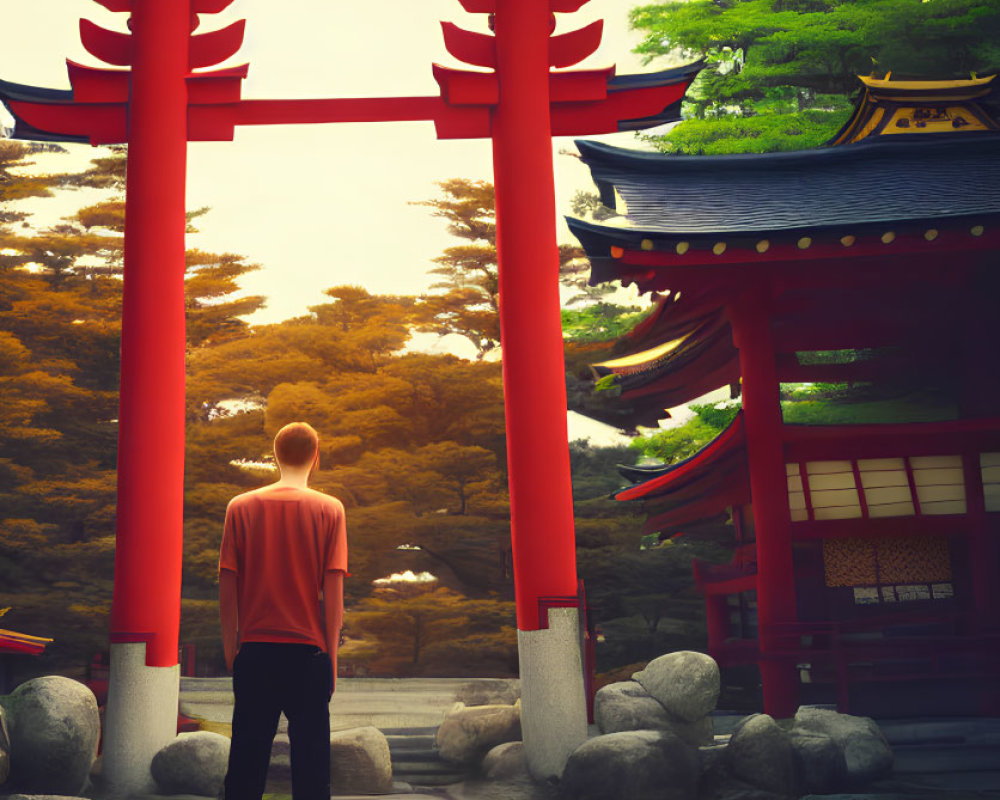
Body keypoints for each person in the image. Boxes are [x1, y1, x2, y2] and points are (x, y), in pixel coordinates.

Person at [218, 422, 347, 800]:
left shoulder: (240, 507)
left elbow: (229, 586)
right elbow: (333, 593)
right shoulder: (330, 510)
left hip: (255, 653)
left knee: (245, 765)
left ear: (275, 454)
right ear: (316, 456)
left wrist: (232, 652)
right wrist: (332, 661)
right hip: (309, 655)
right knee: (312, 770)